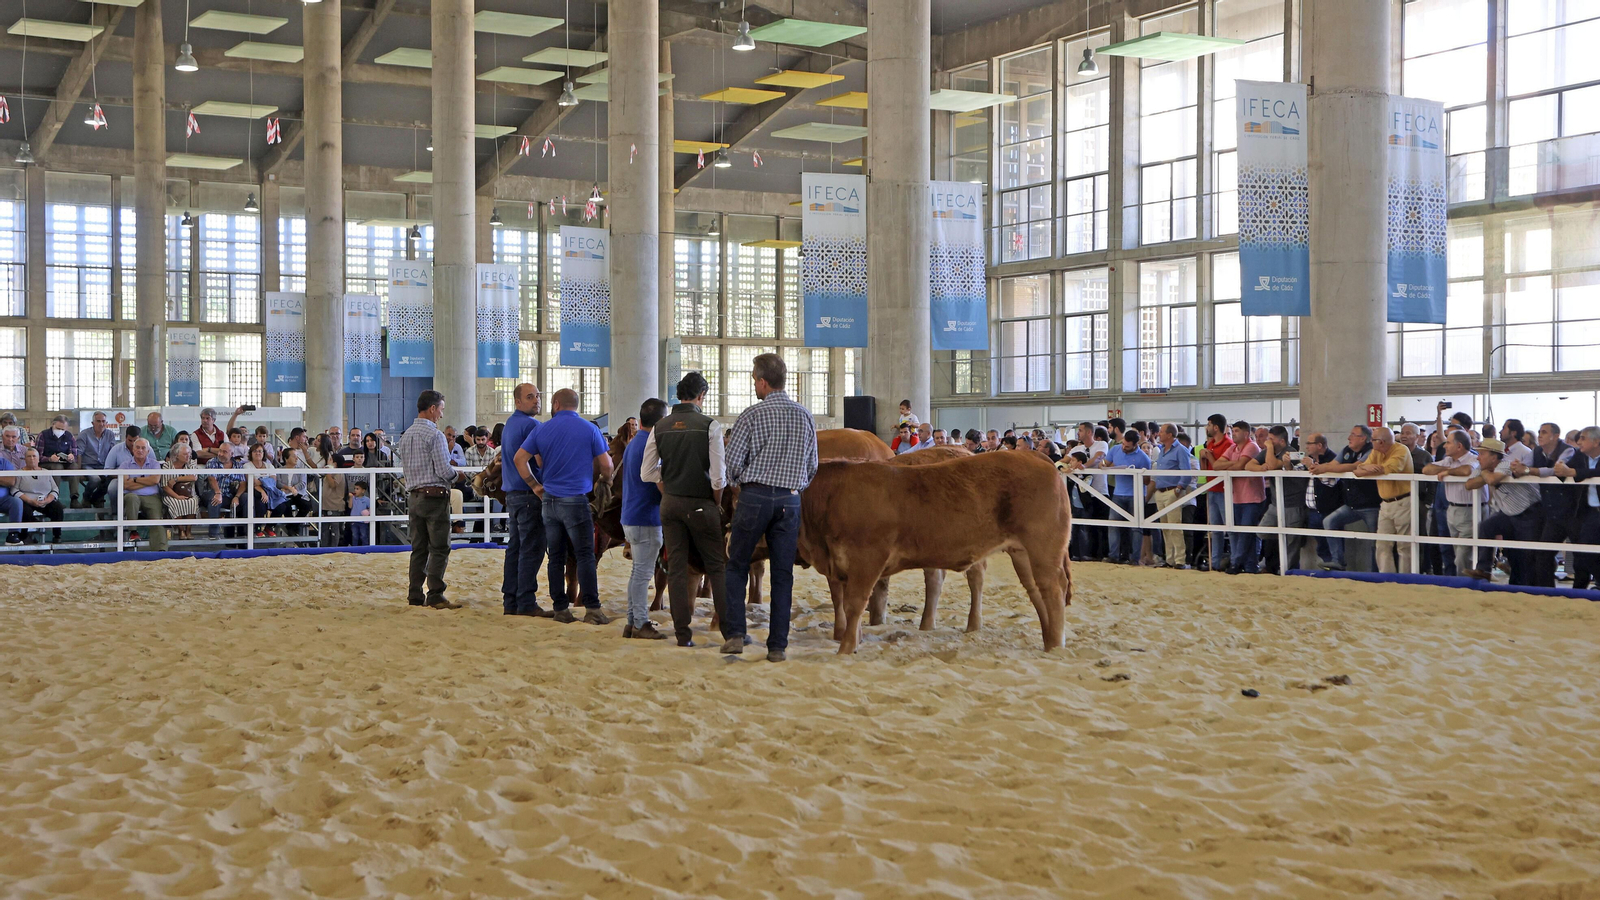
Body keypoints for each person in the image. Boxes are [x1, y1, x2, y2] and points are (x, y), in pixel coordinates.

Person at [722, 353, 818, 662]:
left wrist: (741, 483)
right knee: (782, 573)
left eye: (754, 380)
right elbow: (812, 465)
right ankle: (777, 646)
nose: (754, 385)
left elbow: (732, 463)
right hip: (790, 499)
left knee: (737, 564)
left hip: (754, 498)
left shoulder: (751, 415)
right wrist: (794, 486)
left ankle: (736, 635)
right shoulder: (804, 415)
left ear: (763, 382)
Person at [641, 372, 729, 648]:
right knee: (716, 566)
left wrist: (666, 483)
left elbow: (647, 472)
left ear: (679, 395)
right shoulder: (710, 426)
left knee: (676, 568)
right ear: (701, 395)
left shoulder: (660, 426)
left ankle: (683, 634)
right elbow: (718, 477)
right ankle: (730, 632)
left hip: (671, 505)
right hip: (701, 503)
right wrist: (715, 501)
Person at [529, 388, 613, 624]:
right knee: (585, 555)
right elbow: (607, 465)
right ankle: (593, 610)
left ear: (556, 404)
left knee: (556, 556)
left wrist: (535, 485)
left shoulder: (543, 428)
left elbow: (519, 458)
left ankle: (560, 609)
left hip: (550, 500)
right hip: (576, 500)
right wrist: (605, 480)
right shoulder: (590, 429)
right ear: (576, 405)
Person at [396, 391, 463, 609]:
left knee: (419, 548)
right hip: (435, 498)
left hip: (414, 497)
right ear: (432, 408)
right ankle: (435, 593)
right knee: (440, 547)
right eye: (441, 409)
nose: (441, 415)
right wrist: (458, 476)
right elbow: (444, 469)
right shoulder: (435, 436)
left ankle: (415, 595)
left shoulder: (405, 436)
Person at [619, 398, 669, 640]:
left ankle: (631, 621)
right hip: (646, 516)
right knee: (642, 574)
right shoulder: (651, 445)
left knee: (637, 572)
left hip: (631, 514)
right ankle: (640, 622)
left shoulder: (635, 443)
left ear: (640, 420)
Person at [502, 383, 550, 617]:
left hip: (512, 495)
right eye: (530, 397)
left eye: (538, 396)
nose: (536, 400)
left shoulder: (510, 424)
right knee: (532, 549)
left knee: (515, 548)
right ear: (518, 402)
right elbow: (540, 461)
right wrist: (535, 484)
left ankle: (510, 600)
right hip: (529, 494)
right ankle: (526, 601)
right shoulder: (532, 425)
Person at [1468, 438, 1543, 585]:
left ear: (1493, 457)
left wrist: (1484, 474)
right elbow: (1469, 484)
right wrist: (1485, 474)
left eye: (1482, 453)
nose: (1478, 457)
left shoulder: (1506, 464)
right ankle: (1484, 570)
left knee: (1525, 554)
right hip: (1510, 512)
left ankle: (1525, 586)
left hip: (1530, 512)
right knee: (1488, 527)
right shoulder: (1483, 467)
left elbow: (1493, 480)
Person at [1515, 422, 1578, 588]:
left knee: (1583, 555)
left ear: (1556, 436)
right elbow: (1525, 466)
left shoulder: (1568, 450)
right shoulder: (1536, 451)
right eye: (1539, 432)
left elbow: (1557, 470)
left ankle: (1582, 591)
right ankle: (1547, 591)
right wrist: (1517, 468)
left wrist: (1529, 471)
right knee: (1543, 553)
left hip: (1574, 512)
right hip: (1552, 512)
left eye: (1544, 432)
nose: (1540, 435)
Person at [1312, 425, 1382, 571]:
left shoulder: (1371, 450)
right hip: (1351, 504)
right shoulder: (1346, 450)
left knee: (1377, 541)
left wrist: (1323, 468)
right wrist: (1321, 467)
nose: (1349, 438)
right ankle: (1338, 561)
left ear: (1363, 438)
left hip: (1371, 505)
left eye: (1353, 435)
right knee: (1329, 521)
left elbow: (1355, 467)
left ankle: (1376, 572)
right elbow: (1333, 464)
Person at [1353, 426, 1416, 574]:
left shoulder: (1401, 450)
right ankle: (1386, 577)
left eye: (1373, 440)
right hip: (1385, 503)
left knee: (1404, 545)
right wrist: (1368, 468)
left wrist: (1369, 468)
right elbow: (1358, 470)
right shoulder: (1376, 451)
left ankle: (1405, 580)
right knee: (1382, 543)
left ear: (1381, 442)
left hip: (1403, 502)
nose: (1371, 442)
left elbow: (1387, 469)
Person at [1424, 430, 1481, 577]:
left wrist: (1448, 472)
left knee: (1463, 553)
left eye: (1448, 442)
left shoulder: (1475, 459)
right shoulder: (1449, 460)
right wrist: (1449, 470)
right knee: (1458, 551)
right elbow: (1427, 469)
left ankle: (1464, 584)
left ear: (1459, 446)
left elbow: (1467, 470)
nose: (1445, 446)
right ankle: (1463, 583)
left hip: (1471, 510)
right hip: (1452, 510)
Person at [1211, 421, 1266, 574]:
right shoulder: (1233, 448)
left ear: (1246, 434)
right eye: (1233, 431)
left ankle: (1237, 563)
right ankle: (1249, 566)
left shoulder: (1252, 446)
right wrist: (1235, 463)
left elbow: (1240, 466)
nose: (1233, 433)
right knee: (1244, 532)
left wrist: (1231, 463)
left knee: (1246, 532)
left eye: (1236, 431)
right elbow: (1216, 465)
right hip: (1237, 497)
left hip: (1252, 497)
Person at [1552, 427, 1600, 590]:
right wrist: (1559, 468)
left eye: (1583, 438)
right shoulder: (1579, 455)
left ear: (1596, 442)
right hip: (1590, 512)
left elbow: (1596, 472)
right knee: (1584, 551)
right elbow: (1564, 473)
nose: (1579, 442)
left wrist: (1573, 471)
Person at [1150, 423, 1196, 569]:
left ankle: (1180, 560)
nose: (1159, 434)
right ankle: (1169, 559)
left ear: (1170, 435)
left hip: (1172, 491)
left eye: (1162, 432)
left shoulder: (1180, 450)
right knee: (1165, 527)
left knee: (1175, 526)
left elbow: (1186, 471)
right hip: (1161, 491)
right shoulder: (1162, 450)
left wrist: (1178, 488)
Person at [1102, 429, 1150, 565]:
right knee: (1113, 525)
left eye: (1127, 446)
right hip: (1118, 493)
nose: (1124, 447)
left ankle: (1135, 558)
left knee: (1136, 528)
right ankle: (1113, 555)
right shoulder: (1115, 449)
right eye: (1123, 444)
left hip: (1136, 495)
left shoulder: (1143, 458)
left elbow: (1147, 480)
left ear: (1135, 444)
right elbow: (1106, 462)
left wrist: (1134, 473)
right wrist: (1103, 465)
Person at [1197, 414, 1234, 572]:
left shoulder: (1229, 445)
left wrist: (1210, 456)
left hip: (1224, 490)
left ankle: (1234, 561)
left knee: (1230, 527)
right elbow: (1205, 470)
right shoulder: (1210, 443)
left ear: (1216, 427)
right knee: (1215, 529)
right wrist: (1202, 457)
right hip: (1212, 489)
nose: (1207, 428)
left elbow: (1221, 467)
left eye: (1209, 425)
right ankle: (1215, 562)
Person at [121, 438, 168, 551]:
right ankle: (133, 531)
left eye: (143, 448)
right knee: (131, 497)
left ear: (148, 451)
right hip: (132, 496)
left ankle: (160, 550)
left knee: (156, 519)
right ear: (133, 449)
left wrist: (135, 480)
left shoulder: (155, 464)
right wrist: (147, 481)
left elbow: (155, 480)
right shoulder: (125, 465)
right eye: (137, 447)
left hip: (152, 497)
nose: (140, 450)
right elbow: (125, 485)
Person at [14, 448, 64, 544]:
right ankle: (24, 537)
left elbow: (55, 489)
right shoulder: (19, 473)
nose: (32, 458)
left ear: (38, 459)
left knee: (58, 508)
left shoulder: (46, 472)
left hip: (44, 500)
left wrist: (48, 500)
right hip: (27, 500)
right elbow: (14, 490)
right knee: (25, 511)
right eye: (29, 456)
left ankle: (57, 536)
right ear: (25, 459)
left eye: (34, 456)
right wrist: (29, 500)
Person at [202, 440, 247, 540]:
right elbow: (211, 478)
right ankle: (213, 533)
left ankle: (246, 533)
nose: (221, 454)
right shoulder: (212, 462)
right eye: (220, 451)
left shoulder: (238, 465)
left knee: (246, 498)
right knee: (215, 498)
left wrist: (237, 497)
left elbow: (243, 483)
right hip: (211, 492)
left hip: (229, 495)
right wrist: (218, 493)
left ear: (232, 454)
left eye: (224, 452)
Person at [36, 414, 80, 509]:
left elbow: (74, 452)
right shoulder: (43, 435)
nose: (60, 431)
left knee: (74, 466)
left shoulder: (69, 436)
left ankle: (74, 498)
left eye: (63, 429)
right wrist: (49, 459)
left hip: (64, 462)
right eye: (58, 428)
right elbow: (37, 456)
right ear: (53, 424)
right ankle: (55, 498)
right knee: (57, 467)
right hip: (47, 463)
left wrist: (71, 456)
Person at [160, 441, 202, 541]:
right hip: (171, 494)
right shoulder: (167, 466)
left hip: (189, 493)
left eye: (189, 454)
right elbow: (165, 486)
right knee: (176, 503)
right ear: (176, 455)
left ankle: (188, 530)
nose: (188, 456)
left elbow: (193, 477)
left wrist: (176, 479)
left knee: (192, 502)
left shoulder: (191, 463)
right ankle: (181, 530)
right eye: (185, 454)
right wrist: (177, 496)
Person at [76, 411, 117, 508]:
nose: (101, 424)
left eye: (103, 421)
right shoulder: (84, 434)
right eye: (98, 421)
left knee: (111, 479)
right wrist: (78, 471)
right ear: (93, 423)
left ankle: (96, 498)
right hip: (88, 465)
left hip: (104, 466)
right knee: (95, 479)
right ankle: (86, 497)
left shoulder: (110, 435)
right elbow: (79, 453)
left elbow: (113, 452)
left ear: (106, 423)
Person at [349, 481, 372, 546]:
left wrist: (367, 513)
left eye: (357, 489)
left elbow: (371, 508)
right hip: (354, 520)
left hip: (363, 522)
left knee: (364, 535)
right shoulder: (353, 498)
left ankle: (365, 548)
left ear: (363, 491)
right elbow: (350, 506)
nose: (355, 490)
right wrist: (350, 498)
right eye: (355, 489)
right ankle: (354, 549)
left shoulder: (367, 500)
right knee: (354, 536)